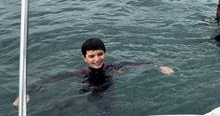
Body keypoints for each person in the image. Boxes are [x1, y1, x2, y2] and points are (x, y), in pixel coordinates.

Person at [13, 38, 174, 107]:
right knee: (63, 106)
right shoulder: (81, 73)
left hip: (108, 96)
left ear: (105, 53)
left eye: (100, 54)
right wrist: (27, 92)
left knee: (106, 113)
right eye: (91, 56)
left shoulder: (114, 67)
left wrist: (160, 65)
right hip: (85, 93)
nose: (96, 59)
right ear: (84, 58)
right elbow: (50, 79)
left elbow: (138, 64)